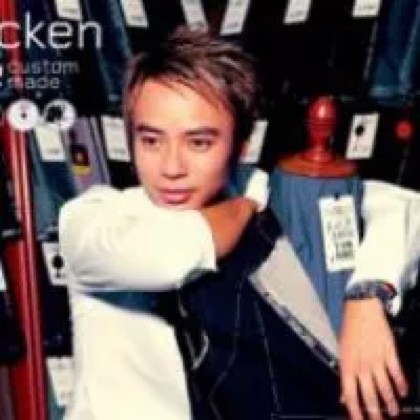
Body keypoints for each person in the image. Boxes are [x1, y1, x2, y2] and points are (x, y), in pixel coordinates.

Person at [60, 27, 269, 420]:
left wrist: (367, 297)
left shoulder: (258, 194)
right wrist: (248, 204)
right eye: (152, 141)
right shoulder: (91, 219)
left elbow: (383, 201)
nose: (171, 168)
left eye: (198, 143)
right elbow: (171, 254)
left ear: (241, 147)